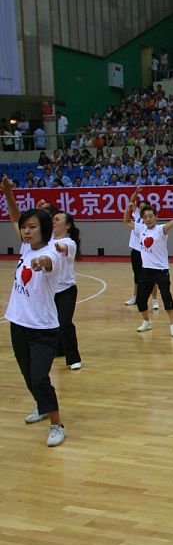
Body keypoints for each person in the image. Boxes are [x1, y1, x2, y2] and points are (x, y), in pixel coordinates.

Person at [1, 179, 66, 446]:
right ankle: (42, 406)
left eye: (33, 227)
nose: (26, 232)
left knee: (40, 376)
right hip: (18, 323)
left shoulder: (53, 252)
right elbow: (15, 217)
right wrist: (8, 194)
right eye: (25, 228)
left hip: (43, 329)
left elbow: (48, 262)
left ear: (45, 229)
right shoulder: (26, 246)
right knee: (29, 376)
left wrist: (41, 262)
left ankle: (57, 424)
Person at [122, 187, 173, 336]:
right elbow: (126, 221)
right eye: (146, 217)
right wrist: (129, 207)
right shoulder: (140, 228)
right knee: (141, 299)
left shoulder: (160, 229)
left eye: (151, 216)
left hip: (161, 270)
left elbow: (170, 225)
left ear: (155, 217)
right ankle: (147, 321)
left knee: (166, 296)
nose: (148, 219)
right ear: (143, 218)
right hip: (146, 270)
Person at [51, 209, 82, 370]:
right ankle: (59, 349)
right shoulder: (46, 239)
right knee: (52, 324)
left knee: (65, 323)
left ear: (67, 225)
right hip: (49, 291)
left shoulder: (69, 243)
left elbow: (61, 247)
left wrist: (57, 246)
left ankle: (73, 358)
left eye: (57, 219)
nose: (54, 221)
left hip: (67, 290)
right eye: (52, 219)